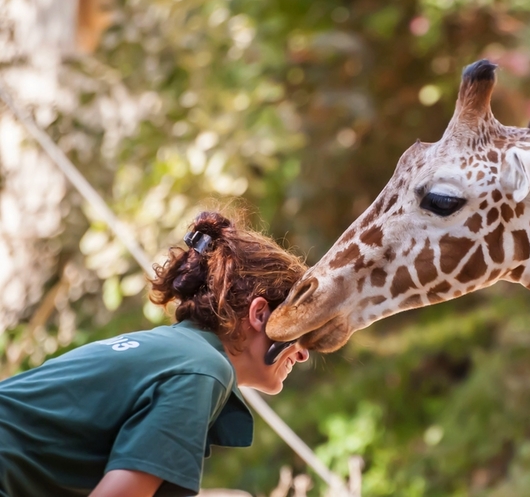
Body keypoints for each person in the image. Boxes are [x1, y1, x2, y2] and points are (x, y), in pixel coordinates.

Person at [0, 211, 310, 497]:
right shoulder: (204, 368)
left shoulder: (173, 349)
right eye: (301, 331)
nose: (303, 354)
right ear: (259, 314)